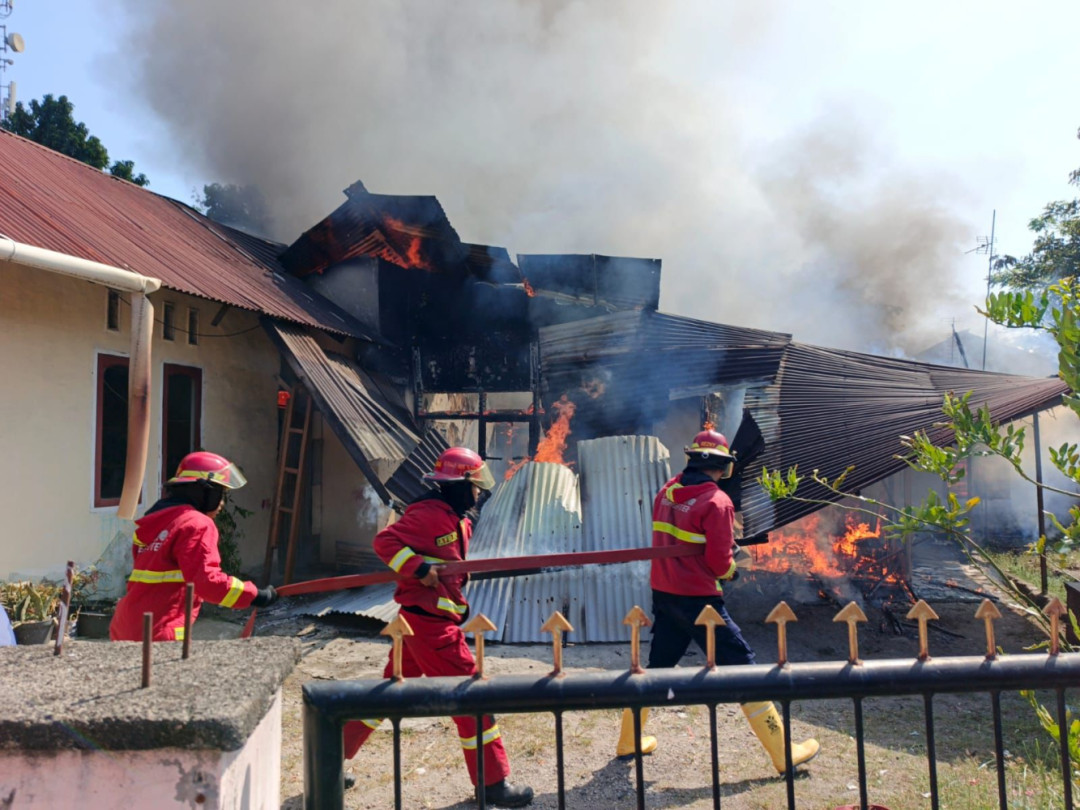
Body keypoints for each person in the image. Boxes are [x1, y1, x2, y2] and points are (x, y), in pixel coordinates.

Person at [615, 429, 820, 774]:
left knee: (657, 668)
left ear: (693, 459)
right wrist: (731, 571)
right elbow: (717, 563)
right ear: (725, 467)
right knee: (743, 670)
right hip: (700, 600)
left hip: (666, 593)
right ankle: (784, 753)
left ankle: (628, 740)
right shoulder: (718, 502)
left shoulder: (667, 491)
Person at [343, 447, 534, 808]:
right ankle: (492, 783)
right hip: (431, 627)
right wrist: (416, 568)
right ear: (459, 485)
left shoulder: (455, 517)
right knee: (472, 696)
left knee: (386, 694)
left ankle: (330, 756)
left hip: (420, 622)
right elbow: (384, 542)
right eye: (474, 486)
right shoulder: (431, 515)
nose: (478, 493)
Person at [110, 451, 277, 642]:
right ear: (204, 491)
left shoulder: (155, 522)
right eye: (220, 493)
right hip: (159, 631)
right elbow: (208, 583)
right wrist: (256, 595)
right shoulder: (196, 523)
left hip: (125, 625)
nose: (221, 503)